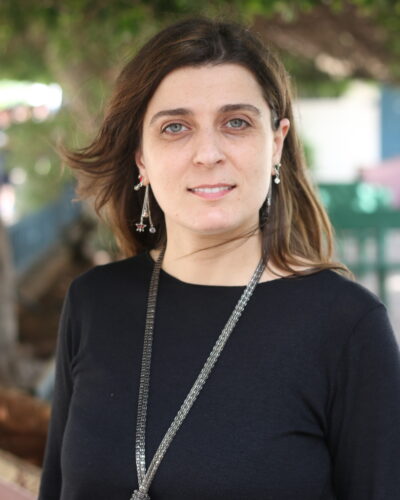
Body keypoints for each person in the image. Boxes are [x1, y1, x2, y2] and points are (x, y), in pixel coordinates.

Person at [38, 17, 400, 500]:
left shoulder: (346, 325)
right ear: (141, 158)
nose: (207, 153)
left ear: (277, 142)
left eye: (236, 123)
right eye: (175, 127)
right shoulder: (94, 302)